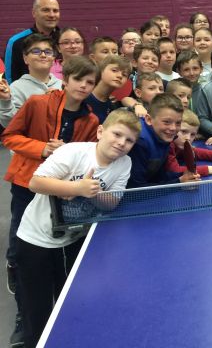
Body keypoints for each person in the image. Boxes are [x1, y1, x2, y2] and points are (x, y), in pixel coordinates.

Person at [16, 109, 140, 347]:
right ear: (100, 131)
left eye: (129, 140)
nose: (122, 143)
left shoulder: (124, 163)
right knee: (38, 308)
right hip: (35, 240)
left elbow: (112, 203)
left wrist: (94, 193)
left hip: (75, 240)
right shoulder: (72, 152)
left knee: (70, 301)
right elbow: (35, 182)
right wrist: (77, 189)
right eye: (117, 134)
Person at [2, 56, 100, 346]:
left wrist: (67, 153)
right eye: (78, 79)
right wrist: (43, 149)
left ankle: (61, 317)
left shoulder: (91, 119)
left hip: (59, 190)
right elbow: (10, 136)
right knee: (25, 256)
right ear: (65, 79)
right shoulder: (36, 103)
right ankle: (25, 318)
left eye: (90, 82)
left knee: (57, 254)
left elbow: (83, 155)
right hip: (26, 184)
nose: (83, 85)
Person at [127, 93, 199, 188]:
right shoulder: (140, 143)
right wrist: (179, 182)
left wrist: (181, 176)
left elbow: (158, 175)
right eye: (167, 122)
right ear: (149, 119)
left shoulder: (164, 135)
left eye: (178, 123)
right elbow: (135, 190)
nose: (173, 128)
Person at [0, 34, 61, 128]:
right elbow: (10, 124)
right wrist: (5, 101)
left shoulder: (63, 85)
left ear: (53, 59)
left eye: (48, 52)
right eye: (36, 51)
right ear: (25, 58)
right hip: (31, 141)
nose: (43, 55)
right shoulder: (16, 88)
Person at [4, 0, 60, 84]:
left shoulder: (66, 40)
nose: (52, 15)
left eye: (55, 11)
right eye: (45, 10)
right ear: (34, 13)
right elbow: (10, 78)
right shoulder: (16, 42)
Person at [166, 109, 212, 176]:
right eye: (183, 131)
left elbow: (193, 151)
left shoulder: (179, 143)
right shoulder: (168, 145)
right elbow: (174, 171)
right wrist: (209, 169)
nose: (188, 138)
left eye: (192, 134)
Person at [86, 55, 131, 123]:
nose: (119, 76)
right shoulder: (82, 96)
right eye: (114, 70)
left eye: (124, 74)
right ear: (101, 70)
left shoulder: (112, 108)